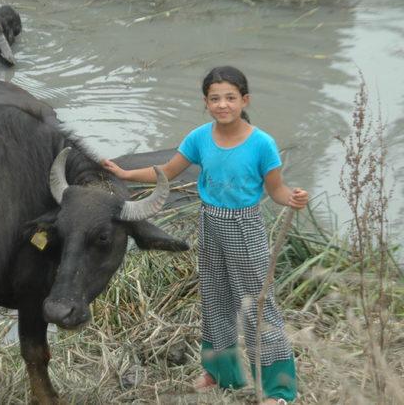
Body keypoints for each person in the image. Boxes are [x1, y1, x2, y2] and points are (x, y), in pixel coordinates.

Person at [102, 66, 308, 404]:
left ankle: (278, 389)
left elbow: (278, 191)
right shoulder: (199, 138)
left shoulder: (262, 144)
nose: (222, 105)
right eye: (215, 98)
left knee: (257, 305)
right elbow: (166, 173)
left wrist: (294, 199)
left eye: (230, 98)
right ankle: (220, 373)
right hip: (210, 223)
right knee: (214, 299)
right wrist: (125, 173)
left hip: (245, 227)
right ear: (205, 102)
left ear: (245, 100)